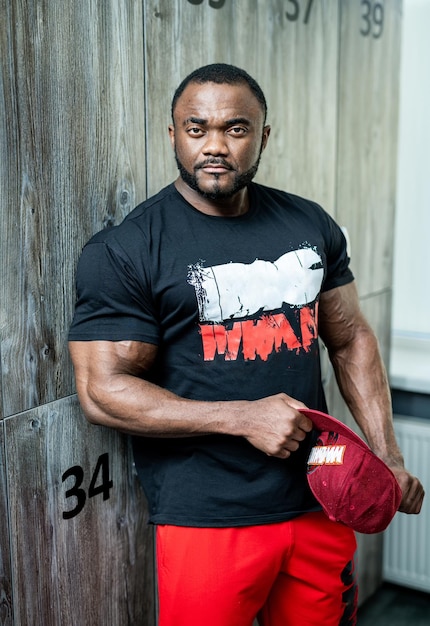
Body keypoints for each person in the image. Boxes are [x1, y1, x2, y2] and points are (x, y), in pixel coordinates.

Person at [68, 63, 424, 626]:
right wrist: (243, 417)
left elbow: (350, 336)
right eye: (196, 128)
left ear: (263, 135)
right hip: (207, 517)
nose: (214, 145)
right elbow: (102, 391)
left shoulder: (309, 225)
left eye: (235, 129)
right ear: (173, 135)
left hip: (318, 494)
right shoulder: (127, 249)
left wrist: (387, 451)